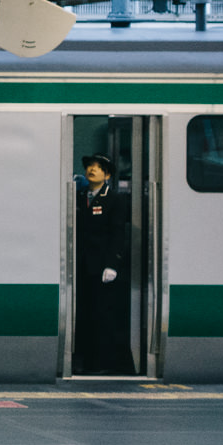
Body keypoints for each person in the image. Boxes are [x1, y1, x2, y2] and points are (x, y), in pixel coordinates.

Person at [73, 153, 133, 375]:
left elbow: (118, 234)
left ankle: (103, 363)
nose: (92, 170)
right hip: (81, 265)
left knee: (102, 315)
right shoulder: (79, 196)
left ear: (107, 175)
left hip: (102, 267)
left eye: (98, 167)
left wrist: (112, 264)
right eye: (89, 166)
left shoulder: (115, 199)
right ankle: (83, 360)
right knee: (84, 314)